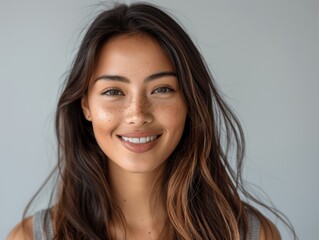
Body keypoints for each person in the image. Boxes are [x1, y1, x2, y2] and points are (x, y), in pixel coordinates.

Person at [7, 2, 296, 240]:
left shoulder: (249, 234)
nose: (137, 114)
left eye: (162, 89)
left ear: (189, 102)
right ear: (86, 106)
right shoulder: (32, 236)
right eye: (113, 91)